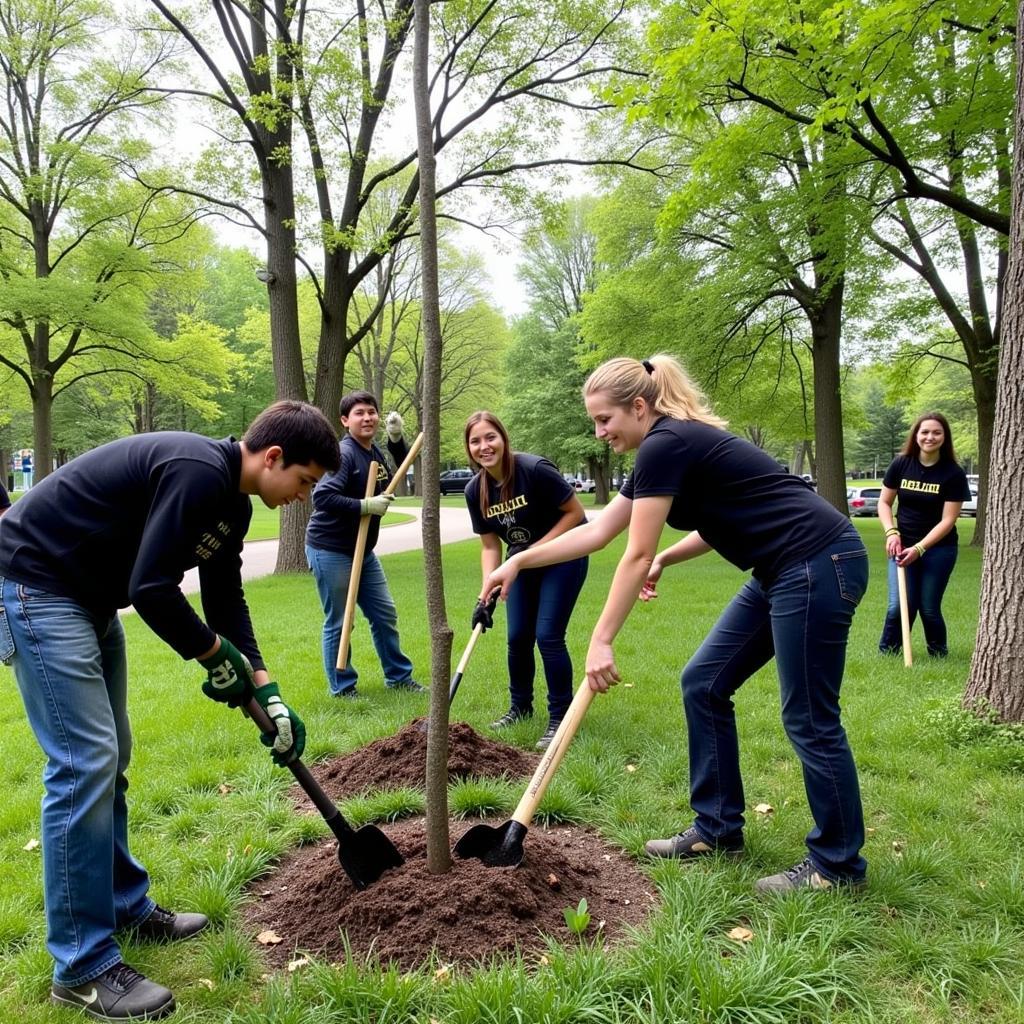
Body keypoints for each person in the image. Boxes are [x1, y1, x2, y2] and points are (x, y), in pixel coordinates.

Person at [0, 400, 340, 1020]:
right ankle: (82, 968)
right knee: (85, 764)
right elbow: (152, 589)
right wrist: (214, 657)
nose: (303, 497)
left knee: (112, 756)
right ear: (273, 458)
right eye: (304, 482)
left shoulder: (231, 504)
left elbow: (225, 597)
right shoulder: (196, 470)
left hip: (85, 601)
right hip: (37, 585)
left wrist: (265, 688)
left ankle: (125, 905)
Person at [482, 355, 870, 893]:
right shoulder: (662, 449)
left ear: (639, 407)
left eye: (604, 420)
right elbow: (602, 533)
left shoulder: (668, 442)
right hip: (784, 568)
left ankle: (837, 865)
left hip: (817, 563)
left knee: (808, 715)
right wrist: (519, 559)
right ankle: (717, 829)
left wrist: (601, 638)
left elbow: (634, 553)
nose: (599, 433)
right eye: (594, 422)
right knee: (704, 683)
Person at [463, 412, 589, 750]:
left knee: (548, 636)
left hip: (564, 556)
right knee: (518, 637)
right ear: (469, 448)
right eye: (475, 441)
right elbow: (490, 544)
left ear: (503, 438)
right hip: (520, 565)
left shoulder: (534, 470)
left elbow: (576, 515)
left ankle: (560, 718)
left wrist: (531, 552)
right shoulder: (476, 489)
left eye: (490, 437)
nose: (484, 446)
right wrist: (485, 592)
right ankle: (520, 707)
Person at [305, 390, 423, 698]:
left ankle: (398, 677)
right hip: (330, 549)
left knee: (384, 613)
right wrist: (364, 505)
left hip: (363, 552)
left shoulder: (373, 452)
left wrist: (396, 438)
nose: (368, 417)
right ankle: (342, 687)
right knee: (341, 620)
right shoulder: (343, 454)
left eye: (372, 412)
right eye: (359, 413)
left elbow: (399, 467)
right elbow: (322, 496)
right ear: (345, 421)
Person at [877, 412, 971, 658]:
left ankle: (938, 655)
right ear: (916, 435)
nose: (930, 437)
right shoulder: (901, 464)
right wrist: (891, 533)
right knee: (899, 606)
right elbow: (884, 503)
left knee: (928, 607)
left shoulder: (953, 473)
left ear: (945, 437)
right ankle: (888, 655)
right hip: (901, 545)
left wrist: (920, 548)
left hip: (939, 549)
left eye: (937, 432)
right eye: (925, 432)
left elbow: (949, 519)